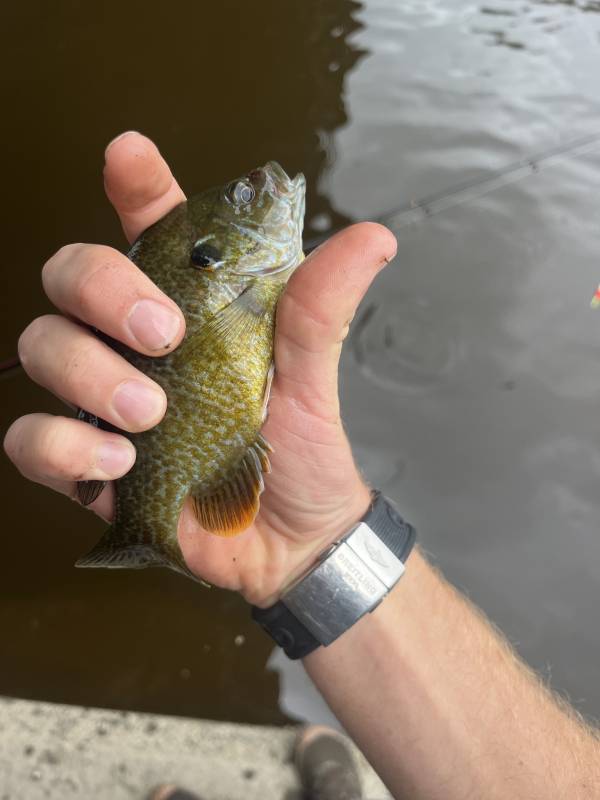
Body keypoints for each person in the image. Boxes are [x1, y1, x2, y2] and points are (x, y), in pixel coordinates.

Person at [4, 132, 599, 799]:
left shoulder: (239, 275)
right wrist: (314, 546)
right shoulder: (231, 273)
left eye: (244, 194)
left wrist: (313, 543)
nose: (260, 183)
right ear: (216, 254)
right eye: (244, 196)